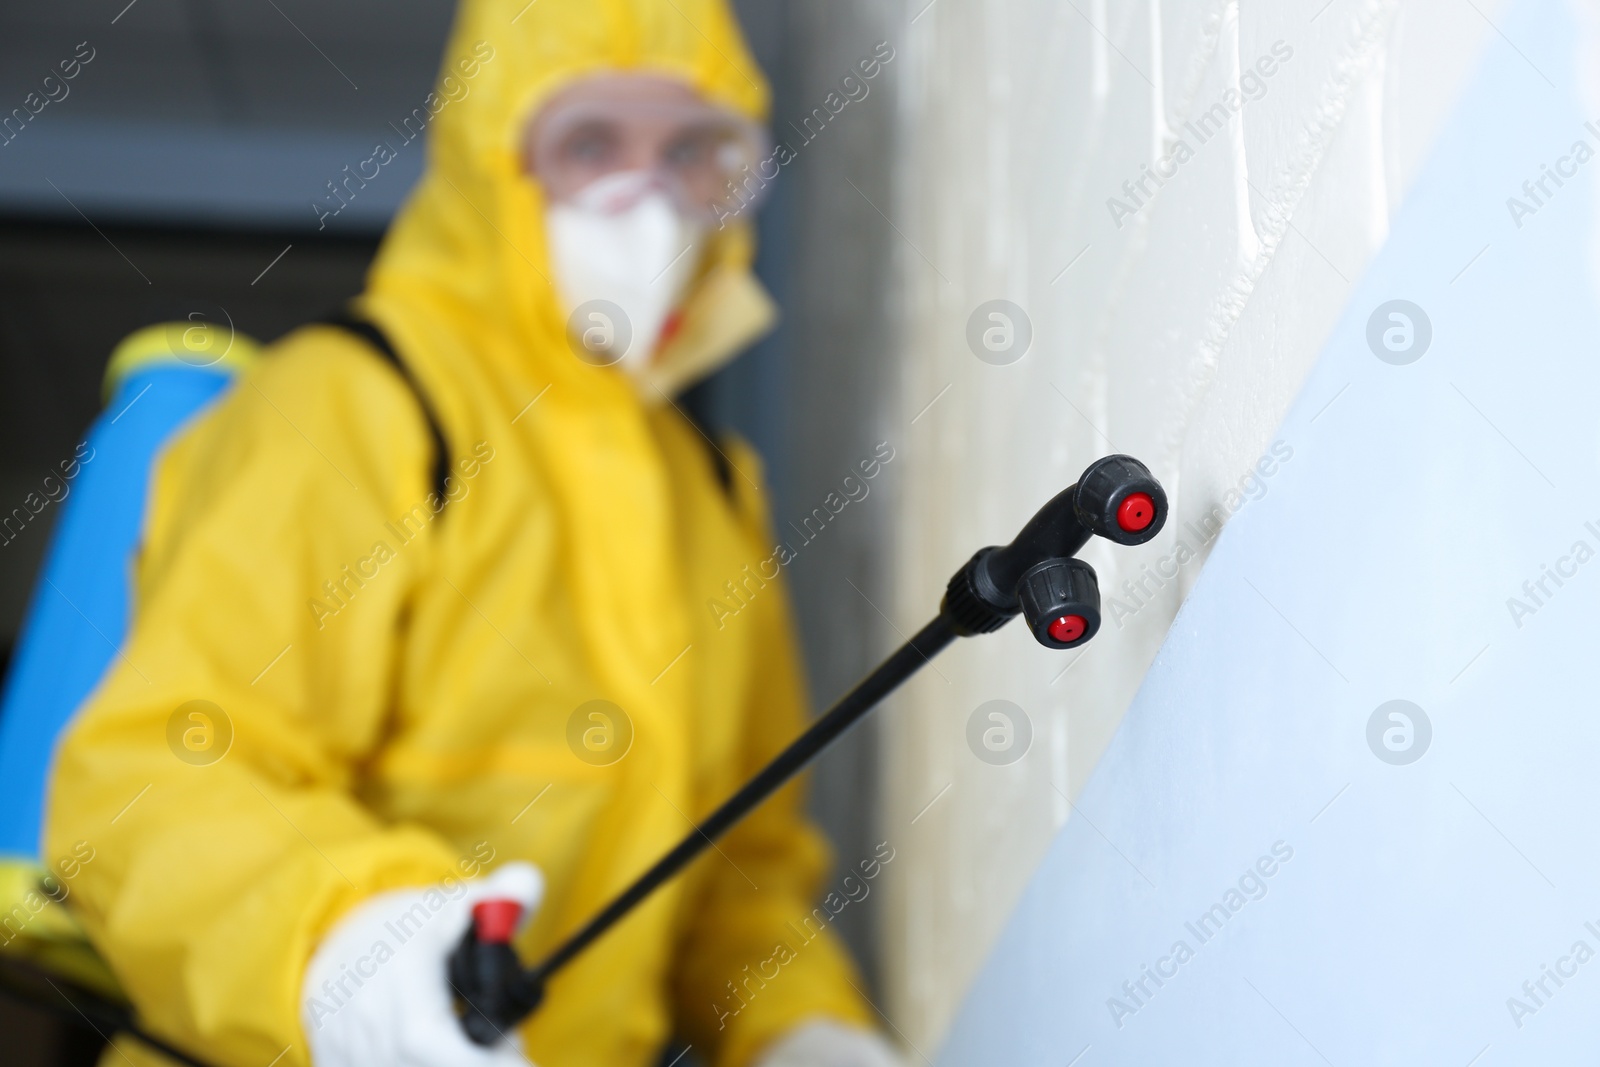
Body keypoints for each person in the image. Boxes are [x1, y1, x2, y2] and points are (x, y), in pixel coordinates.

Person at [43, 0, 903, 1064]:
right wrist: (350, 947)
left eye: (692, 151)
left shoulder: (712, 493)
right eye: (589, 145)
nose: (647, 205)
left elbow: (734, 875)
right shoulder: (361, 406)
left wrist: (800, 1027)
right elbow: (152, 774)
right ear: (491, 161)